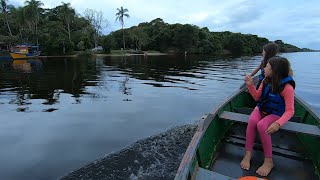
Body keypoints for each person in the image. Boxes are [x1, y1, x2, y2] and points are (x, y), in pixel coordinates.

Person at [241, 57, 295, 177]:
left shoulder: (287, 88)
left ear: (274, 71)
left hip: (275, 113)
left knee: (261, 125)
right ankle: (248, 153)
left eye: (267, 67)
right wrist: (250, 85)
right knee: (252, 121)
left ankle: (268, 161)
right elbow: (256, 97)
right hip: (262, 109)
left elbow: (290, 111)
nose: (264, 68)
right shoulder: (265, 80)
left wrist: (278, 123)